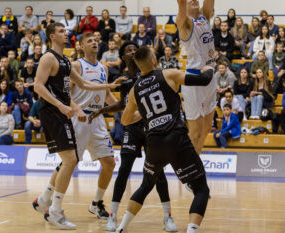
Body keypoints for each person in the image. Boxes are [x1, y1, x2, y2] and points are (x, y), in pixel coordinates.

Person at [31, 22, 120, 229]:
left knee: (72, 160)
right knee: (70, 160)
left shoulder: (65, 61)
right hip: (59, 112)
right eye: (61, 31)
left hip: (80, 116)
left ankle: (49, 204)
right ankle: (53, 209)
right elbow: (38, 86)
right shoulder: (48, 57)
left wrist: (111, 86)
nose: (66, 33)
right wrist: (66, 106)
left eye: (65, 30)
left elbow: (85, 84)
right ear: (52, 36)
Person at [116, 45, 213, 233]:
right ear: (153, 61)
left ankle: (121, 228)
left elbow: (126, 119)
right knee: (201, 190)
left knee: (146, 185)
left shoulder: (134, 90)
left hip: (154, 143)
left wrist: (146, 115)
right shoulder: (168, 74)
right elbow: (203, 80)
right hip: (176, 139)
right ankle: (191, 230)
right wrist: (209, 68)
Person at [87, 41, 177, 232]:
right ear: (123, 57)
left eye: (135, 49)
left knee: (158, 173)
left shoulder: (151, 74)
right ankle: (112, 216)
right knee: (124, 170)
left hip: (152, 129)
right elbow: (123, 104)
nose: (133, 51)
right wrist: (102, 109)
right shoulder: (124, 80)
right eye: (128, 50)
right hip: (132, 130)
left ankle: (168, 217)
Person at [68, 33, 124, 219]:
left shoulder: (103, 67)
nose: (94, 43)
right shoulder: (76, 65)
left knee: (109, 163)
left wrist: (121, 108)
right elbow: (65, 93)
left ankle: (97, 202)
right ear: (81, 46)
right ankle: (50, 199)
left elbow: (107, 94)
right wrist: (76, 109)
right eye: (89, 41)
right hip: (80, 118)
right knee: (70, 162)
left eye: (95, 41)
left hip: (97, 119)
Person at [173, 0, 217, 154]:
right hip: (193, 77)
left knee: (207, 129)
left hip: (211, 74)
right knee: (195, 131)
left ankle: (195, 164)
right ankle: (187, 168)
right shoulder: (185, 23)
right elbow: (181, 2)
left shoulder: (205, 17)